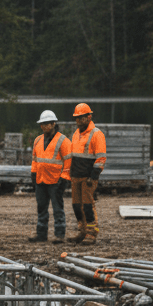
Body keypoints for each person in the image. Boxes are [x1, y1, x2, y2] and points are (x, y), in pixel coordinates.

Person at [29, 109, 71, 243]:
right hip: (40, 180)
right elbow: (35, 160)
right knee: (41, 208)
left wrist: (64, 179)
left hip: (56, 181)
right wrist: (33, 174)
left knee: (58, 209)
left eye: (47, 123)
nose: (44, 126)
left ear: (53, 124)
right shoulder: (37, 140)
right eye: (42, 124)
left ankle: (59, 235)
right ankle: (41, 234)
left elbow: (69, 162)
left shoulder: (63, 141)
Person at [68, 102, 107, 244]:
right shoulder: (76, 134)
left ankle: (91, 232)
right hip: (76, 176)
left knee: (88, 205)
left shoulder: (97, 134)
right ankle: (82, 231)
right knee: (76, 205)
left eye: (81, 117)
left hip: (88, 177)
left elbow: (101, 158)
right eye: (76, 118)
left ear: (89, 117)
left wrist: (94, 176)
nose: (78, 120)